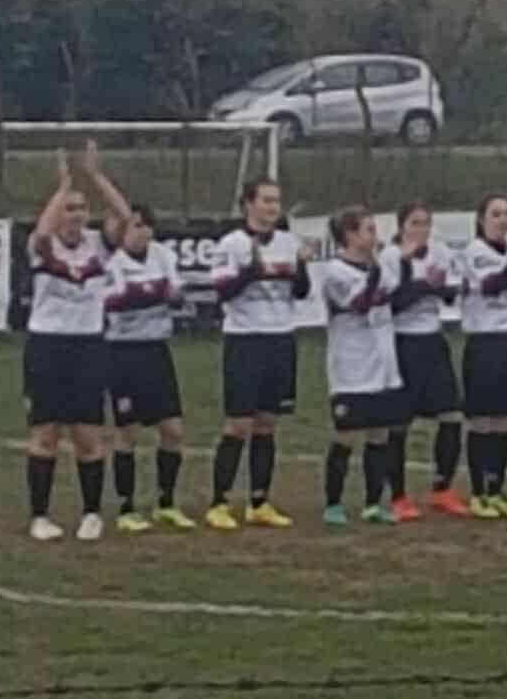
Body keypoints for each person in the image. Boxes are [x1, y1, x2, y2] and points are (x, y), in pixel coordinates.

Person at [22, 143, 130, 542]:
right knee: (45, 433)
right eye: (69, 208)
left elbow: (124, 217)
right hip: (47, 346)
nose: (76, 215)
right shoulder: (43, 248)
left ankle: (90, 513)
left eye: (81, 208)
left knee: (88, 435)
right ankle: (40, 516)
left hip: (88, 346)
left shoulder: (98, 246)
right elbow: (40, 235)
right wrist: (62, 187)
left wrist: (96, 177)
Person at [208, 179, 311, 531]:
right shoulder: (232, 244)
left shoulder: (287, 242)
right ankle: (219, 501)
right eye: (266, 201)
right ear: (248, 204)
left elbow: (300, 292)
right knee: (239, 424)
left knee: (268, 423)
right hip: (245, 340)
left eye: (277, 201)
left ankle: (259, 500)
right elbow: (221, 291)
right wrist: (251, 271)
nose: (272, 207)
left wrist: (301, 267)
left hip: (281, 339)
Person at [104, 202, 194, 532]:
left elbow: (176, 295)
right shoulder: (112, 262)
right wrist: (153, 293)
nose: (141, 233)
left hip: (157, 349)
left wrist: (147, 293)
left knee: (173, 430)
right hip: (123, 352)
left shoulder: (163, 255)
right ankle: (127, 508)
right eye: (134, 226)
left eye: (145, 226)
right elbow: (116, 301)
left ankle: (166, 503)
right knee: (128, 432)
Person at [321, 207, 409, 525]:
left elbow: (398, 296)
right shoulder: (335, 271)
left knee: (380, 434)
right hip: (351, 366)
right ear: (350, 235)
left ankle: (374, 502)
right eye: (368, 230)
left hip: (384, 364)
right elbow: (358, 304)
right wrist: (375, 273)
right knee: (346, 434)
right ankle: (333, 503)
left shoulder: (382, 267)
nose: (375, 236)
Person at [382, 202, 469, 521]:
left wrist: (440, 287)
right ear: (401, 225)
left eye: (426, 223)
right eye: (415, 223)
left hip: (432, 339)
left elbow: (449, 294)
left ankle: (442, 488)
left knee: (452, 415)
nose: (422, 229)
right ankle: (398, 495)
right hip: (402, 341)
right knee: (399, 423)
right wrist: (423, 286)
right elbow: (391, 303)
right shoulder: (391, 256)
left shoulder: (439, 251)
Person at [460, 193, 507, 520]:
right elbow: (492, 285)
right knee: (482, 420)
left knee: (505, 419)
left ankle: (496, 489)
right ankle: (477, 493)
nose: (502, 220)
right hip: (485, 342)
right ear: (481, 219)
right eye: (495, 214)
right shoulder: (475, 252)